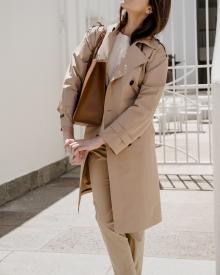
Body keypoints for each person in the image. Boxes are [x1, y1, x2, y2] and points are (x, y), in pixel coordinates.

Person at [57, 0, 171, 274]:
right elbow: (71, 81)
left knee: (134, 227)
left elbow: (144, 110)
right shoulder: (97, 37)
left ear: (151, 8)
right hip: (95, 145)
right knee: (107, 220)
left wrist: (97, 140)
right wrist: (69, 135)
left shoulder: (155, 54)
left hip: (132, 146)